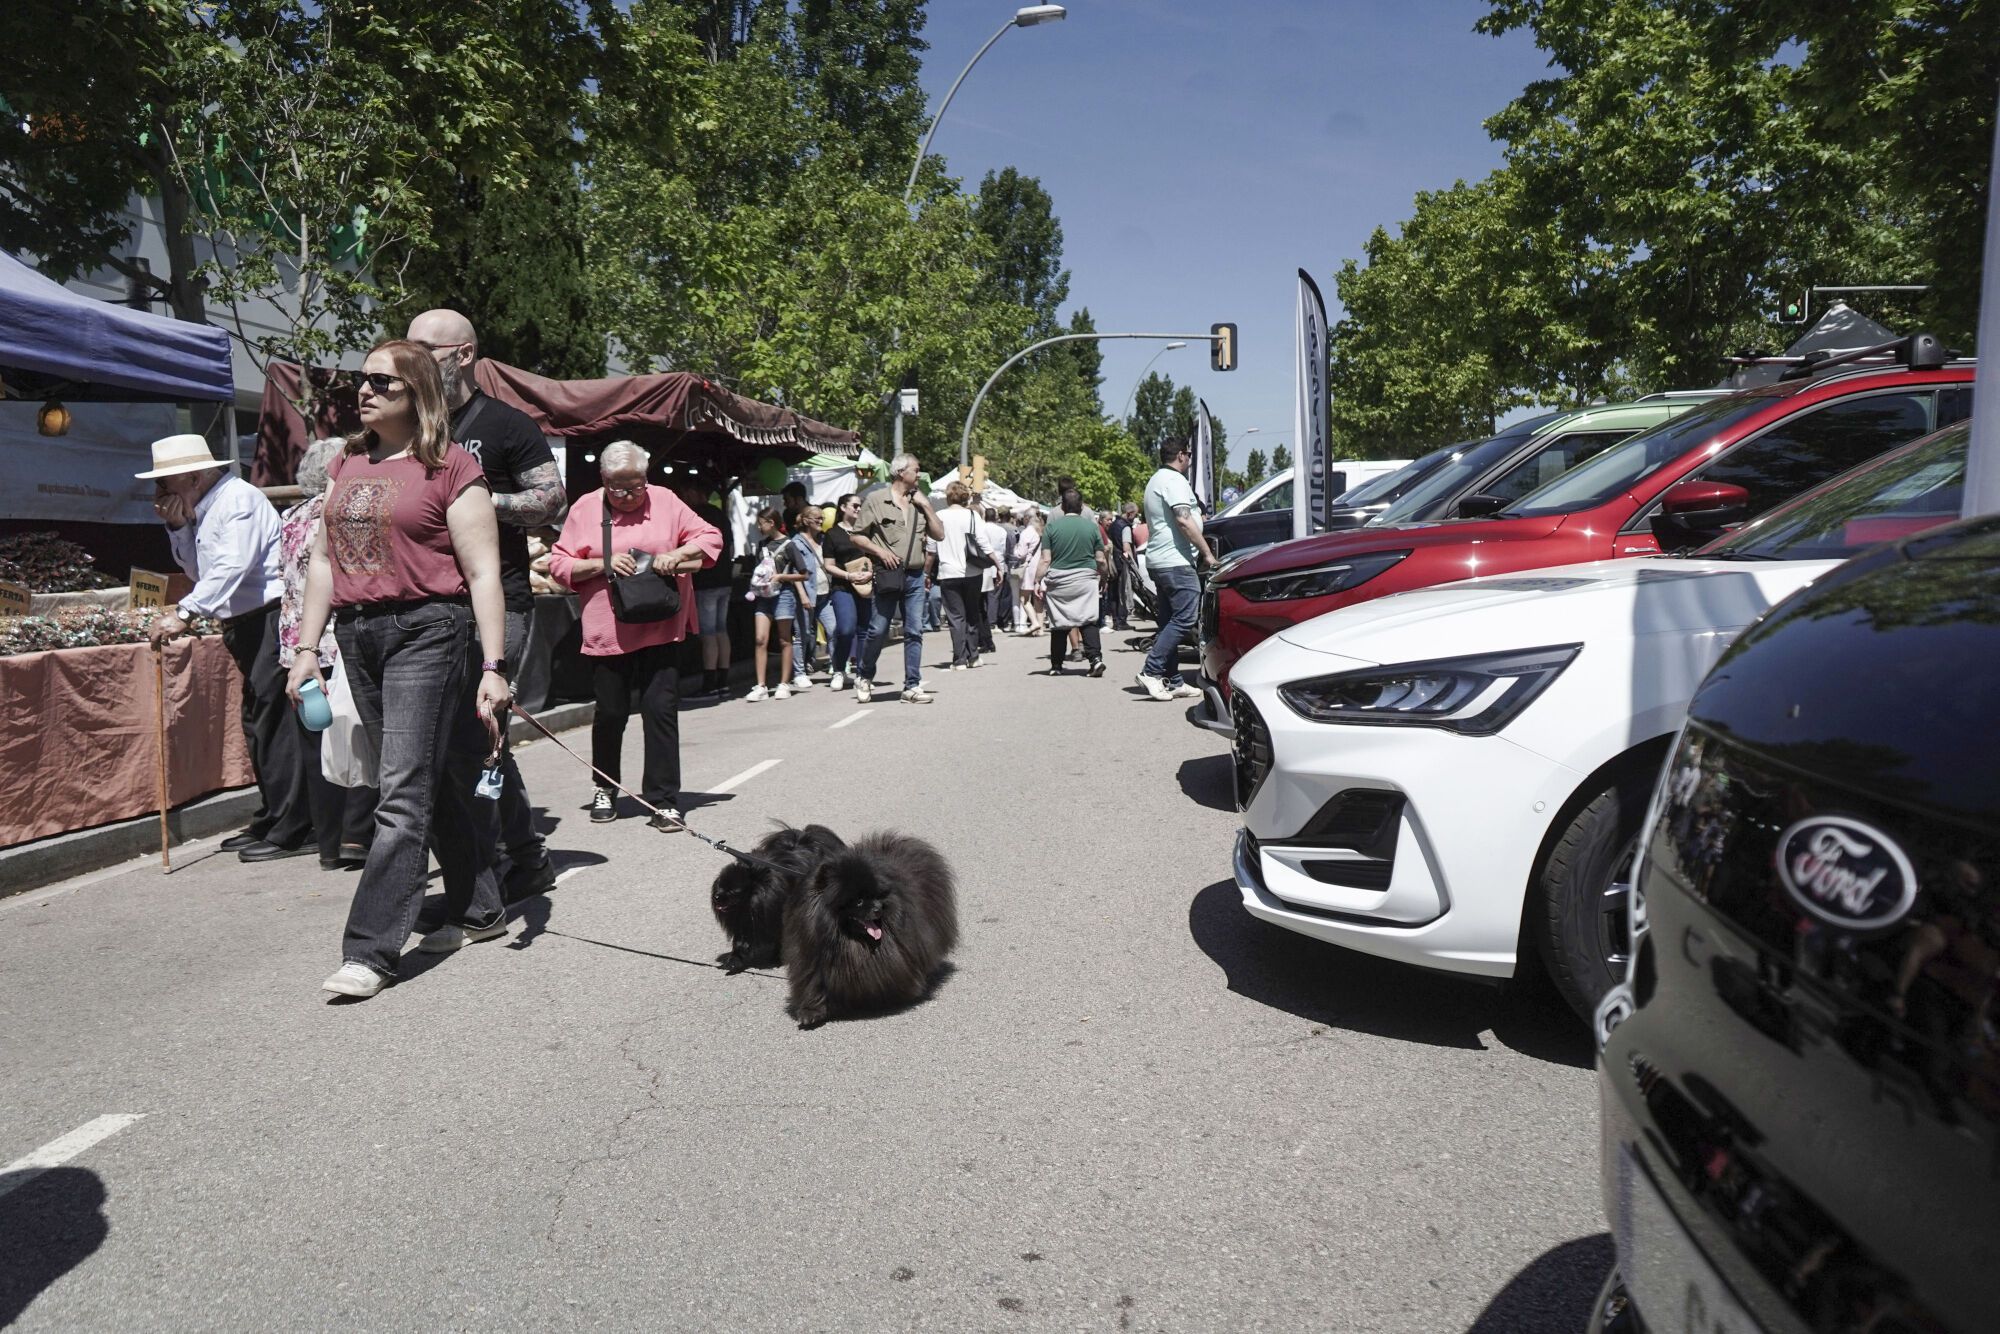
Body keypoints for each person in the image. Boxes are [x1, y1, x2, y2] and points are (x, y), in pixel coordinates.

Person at [287, 339, 514, 999]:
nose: (366, 391)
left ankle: (371, 949)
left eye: (384, 383)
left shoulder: (451, 467)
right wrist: (308, 647)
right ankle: (480, 907)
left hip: (429, 631)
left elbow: (481, 572)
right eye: (363, 381)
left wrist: (494, 666)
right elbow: (324, 563)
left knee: (399, 793)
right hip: (359, 637)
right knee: (427, 779)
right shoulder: (348, 462)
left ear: (419, 395)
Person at [406, 309, 563, 900]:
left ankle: (505, 858)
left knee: (477, 728)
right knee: (462, 740)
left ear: (463, 354)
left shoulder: (504, 424)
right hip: (425, 605)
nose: (412, 362)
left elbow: (550, 500)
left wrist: (470, 500)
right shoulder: (406, 426)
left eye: (426, 350)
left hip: (498, 602)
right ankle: (515, 852)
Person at [138, 433, 304, 862]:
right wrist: (178, 527)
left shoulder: (237, 501)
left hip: (267, 617)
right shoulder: (206, 508)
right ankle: (275, 817)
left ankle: (294, 825)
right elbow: (200, 570)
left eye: (166, 482)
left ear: (193, 476)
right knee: (258, 720)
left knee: (273, 721)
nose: (160, 492)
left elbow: (232, 565)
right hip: (244, 621)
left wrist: (186, 613)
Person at [548, 442, 721, 827]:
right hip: (608, 630)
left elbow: (710, 539)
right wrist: (601, 563)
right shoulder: (585, 508)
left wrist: (677, 555)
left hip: (662, 627)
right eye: (618, 488)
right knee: (610, 713)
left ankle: (664, 799)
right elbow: (558, 563)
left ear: (647, 478)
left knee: (661, 712)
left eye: (636, 486)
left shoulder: (665, 500)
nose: (628, 496)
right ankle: (605, 786)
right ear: (603, 481)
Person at [276, 438, 376, 871]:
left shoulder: (290, 516)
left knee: (315, 742)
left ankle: (329, 845)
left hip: (296, 644)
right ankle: (358, 834)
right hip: (336, 639)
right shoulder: (343, 512)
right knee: (356, 736)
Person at [850, 452, 944, 704]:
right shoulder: (876, 499)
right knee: (878, 629)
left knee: (914, 630)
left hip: (914, 576)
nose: (919, 474)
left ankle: (911, 685)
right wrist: (880, 551)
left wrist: (926, 505)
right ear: (901, 472)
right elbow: (857, 536)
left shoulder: (918, 502)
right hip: (889, 575)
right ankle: (864, 675)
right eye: (916, 469)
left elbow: (939, 534)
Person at [1137, 437, 1215, 701]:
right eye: (1189, 454)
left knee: (1169, 620)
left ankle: (1173, 680)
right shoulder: (1174, 481)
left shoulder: (1156, 479)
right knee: (1185, 618)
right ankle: (1152, 671)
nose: (1190, 459)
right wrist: (1207, 553)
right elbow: (1183, 520)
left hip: (1159, 560)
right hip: (1175, 561)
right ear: (1181, 455)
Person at [1037, 490, 1107, 676]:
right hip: (1085, 579)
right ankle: (1095, 659)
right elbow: (1100, 559)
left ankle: (1057, 665)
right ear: (1082, 506)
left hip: (1059, 580)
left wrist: (1037, 581)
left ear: (1062, 507)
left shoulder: (1051, 528)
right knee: (1088, 620)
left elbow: (1045, 560)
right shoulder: (1092, 527)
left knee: (1059, 621)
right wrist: (1104, 577)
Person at [675, 481, 734, 697]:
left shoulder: (697, 516)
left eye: (686, 492)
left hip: (706, 581)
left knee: (708, 633)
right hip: (725, 580)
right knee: (720, 630)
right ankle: (723, 681)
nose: (684, 498)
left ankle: (710, 683)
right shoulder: (721, 515)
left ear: (694, 491)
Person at [820, 492, 872, 690]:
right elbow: (828, 565)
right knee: (846, 629)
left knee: (864, 630)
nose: (859, 509)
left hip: (865, 587)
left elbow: (873, 557)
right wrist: (848, 576)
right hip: (843, 587)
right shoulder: (833, 534)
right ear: (843, 508)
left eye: (860, 506)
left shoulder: (866, 532)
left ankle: (862, 674)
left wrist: (870, 574)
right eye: (855, 506)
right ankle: (839, 669)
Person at [744, 508, 797, 701]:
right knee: (760, 639)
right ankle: (761, 685)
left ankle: (784, 683)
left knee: (784, 639)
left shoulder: (789, 545)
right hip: (763, 596)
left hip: (783, 593)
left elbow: (804, 573)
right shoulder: (761, 545)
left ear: (771, 522)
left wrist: (782, 576)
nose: (759, 527)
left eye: (761, 523)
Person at [934, 481, 985, 671]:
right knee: (972, 613)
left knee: (955, 617)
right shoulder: (973, 515)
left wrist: (927, 571)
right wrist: (995, 562)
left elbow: (931, 548)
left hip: (948, 572)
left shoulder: (939, 516)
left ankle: (959, 658)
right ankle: (973, 655)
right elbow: (982, 542)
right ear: (966, 497)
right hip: (972, 570)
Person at [786, 505, 833, 689]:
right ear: (806, 521)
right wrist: (803, 595)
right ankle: (799, 673)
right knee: (802, 634)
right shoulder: (796, 543)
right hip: (806, 595)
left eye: (822, 518)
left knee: (833, 629)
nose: (821, 521)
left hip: (825, 594)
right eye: (817, 518)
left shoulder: (823, 540)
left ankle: (837, 668)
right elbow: (795, 571)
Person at [978, 505, 1006, 655]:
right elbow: (1004, 548)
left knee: (981, 601)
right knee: (994, 597)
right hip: (997, 563)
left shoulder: (981, 529)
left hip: (983, 566)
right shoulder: (1001, 531)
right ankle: (992, 622)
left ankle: (986, 633)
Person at [1105, 503, 1136, 631]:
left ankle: (1115, 620)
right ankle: (1121, 620)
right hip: (1122, 562)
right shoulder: (1125, 527)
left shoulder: (1113, 525)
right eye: (1135, 514)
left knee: (1113, 592)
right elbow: (1126, 547)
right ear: (1129, 513)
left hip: (1113, 561)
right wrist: (1132, 563)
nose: (1135, 517)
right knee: (1123, 591)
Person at [1017, 509, 1048, 635]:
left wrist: (1015, 550)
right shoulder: (1041, 531)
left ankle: (1034, 622)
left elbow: (1021, 553)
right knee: (1038, 598)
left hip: (1029, 567)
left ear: (1026, 518)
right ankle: (1040, 628)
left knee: (1024, 597)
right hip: (1041, 567)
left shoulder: (1027, 532)